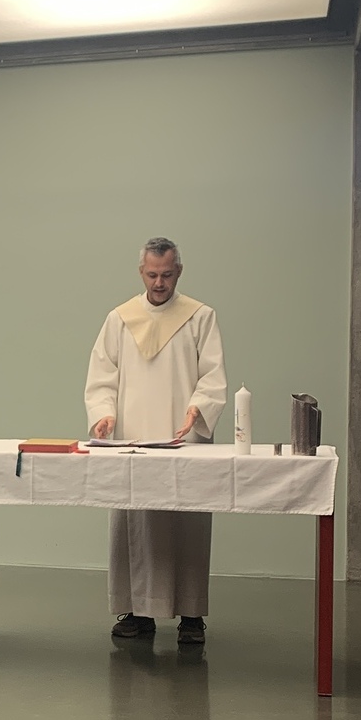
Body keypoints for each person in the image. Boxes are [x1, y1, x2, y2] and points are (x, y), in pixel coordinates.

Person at [85, 238, 227, 646]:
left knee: (187, 522)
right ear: (141, 272)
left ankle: (192, 616)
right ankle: (137, 610)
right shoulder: (120, 319)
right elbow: (102, 377)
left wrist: (198, 408)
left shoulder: (199, 317)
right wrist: (103, 413)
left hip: (183, 436)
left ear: (178, 271)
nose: (159, 283)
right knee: (137, 522)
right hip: (134, 437)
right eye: (152, 275)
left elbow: (213, 375)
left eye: (166, 274)